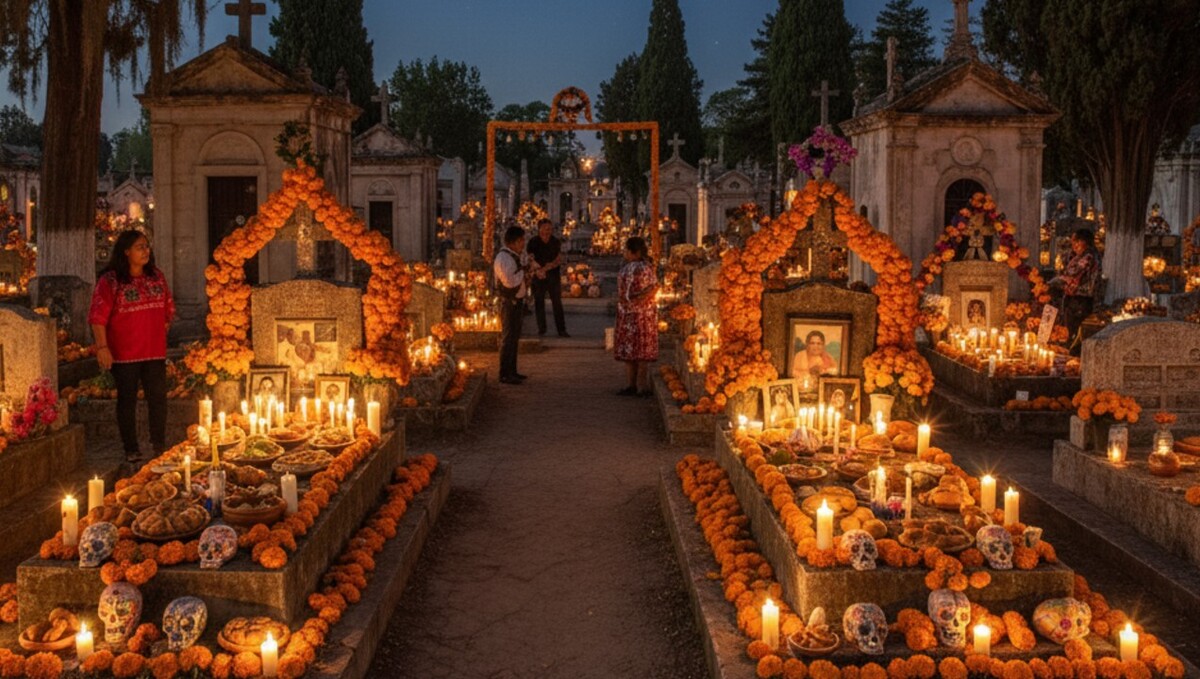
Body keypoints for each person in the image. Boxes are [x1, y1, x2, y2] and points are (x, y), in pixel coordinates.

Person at [89, 230, 175, 463]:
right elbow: (98, 317)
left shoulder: (156, 276)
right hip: (124, 354)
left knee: (158, 398)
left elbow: (168, 309)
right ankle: (131, 448)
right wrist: (102, 347)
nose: (146, 251)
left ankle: (159, 444)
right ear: (126, 251)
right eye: (140, 247)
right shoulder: (110, 281)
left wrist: (157, 331)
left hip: (154, 352)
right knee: (127, 400)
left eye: (147, 246)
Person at [615, 236, 658, 396]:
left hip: (632, 313)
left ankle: (635, 384)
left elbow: (650, 289)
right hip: (641, 313)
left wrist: (630, 302)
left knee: (633, 350)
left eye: (627, 249)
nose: (625, 253)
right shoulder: (646, 268)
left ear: (635, 252)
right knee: (640, 350)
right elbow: (653, 288)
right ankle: (638, 386)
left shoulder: (639, 268)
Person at [1050, 228, 1102, 350]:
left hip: (1081, 299)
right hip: (1075, 298)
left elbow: (1072, 272)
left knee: (1075, 331)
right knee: (1071, 328)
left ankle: (1074, 355)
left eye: (1077, 241)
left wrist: (1059, 279)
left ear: (1085, 241)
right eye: (1073, 241)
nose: (1074, 245)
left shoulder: (1088, 256)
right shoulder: (1080, 256)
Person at [494, 225, 528, 385]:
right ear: (512, 242)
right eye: (521, 241)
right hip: (509, 302)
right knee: (508, 338)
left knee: (514, 338)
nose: (523, 244)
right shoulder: (504, 258)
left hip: (517, 301)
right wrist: (524, 272)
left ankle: (512, 370)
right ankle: (504, 373)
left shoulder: (514, 256)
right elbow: (509, 282)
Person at [526, 218, 569, 337]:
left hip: (552, 275)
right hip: (538, 275)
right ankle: (541, 328)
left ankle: (561, 329)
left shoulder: (555, 242)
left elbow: (558, 259)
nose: (547, 231)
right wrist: (537, 269)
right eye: (545, 229)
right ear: (539, 229)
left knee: (557, 302)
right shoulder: (533, 242)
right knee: (539, 301)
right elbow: (530, 257)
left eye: (549, 229)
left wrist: (545, 269)